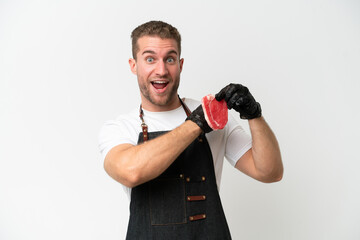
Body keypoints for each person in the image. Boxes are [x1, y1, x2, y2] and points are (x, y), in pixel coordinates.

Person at [98, 20, 283, 239]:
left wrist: (254, 115)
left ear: (180, 64)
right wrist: (195, 125)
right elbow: (131, 172)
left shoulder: (213, 115)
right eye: (150, 59)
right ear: (133, 65)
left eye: (170, 59)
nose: (161, 70)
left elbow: (270, 172)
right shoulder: (120, 128)